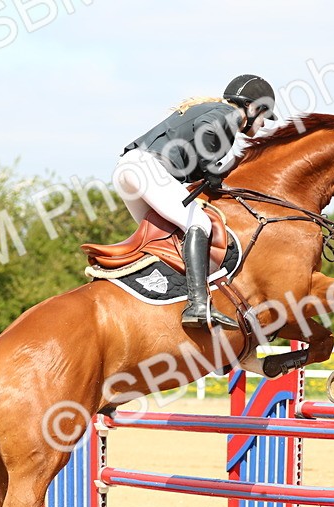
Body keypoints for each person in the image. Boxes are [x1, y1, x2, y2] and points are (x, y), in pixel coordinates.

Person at [112, 74, 277, 329]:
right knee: (198, 222)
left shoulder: (219, 115)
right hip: (147, 168)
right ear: (253, 108)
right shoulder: (229, 114)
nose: (264, 124)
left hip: (129, 170)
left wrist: (212, 174)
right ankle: (199, 304)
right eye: (265, 116)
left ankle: (152, 293)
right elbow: (206, 129)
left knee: (163, 238)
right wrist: (211, 167)